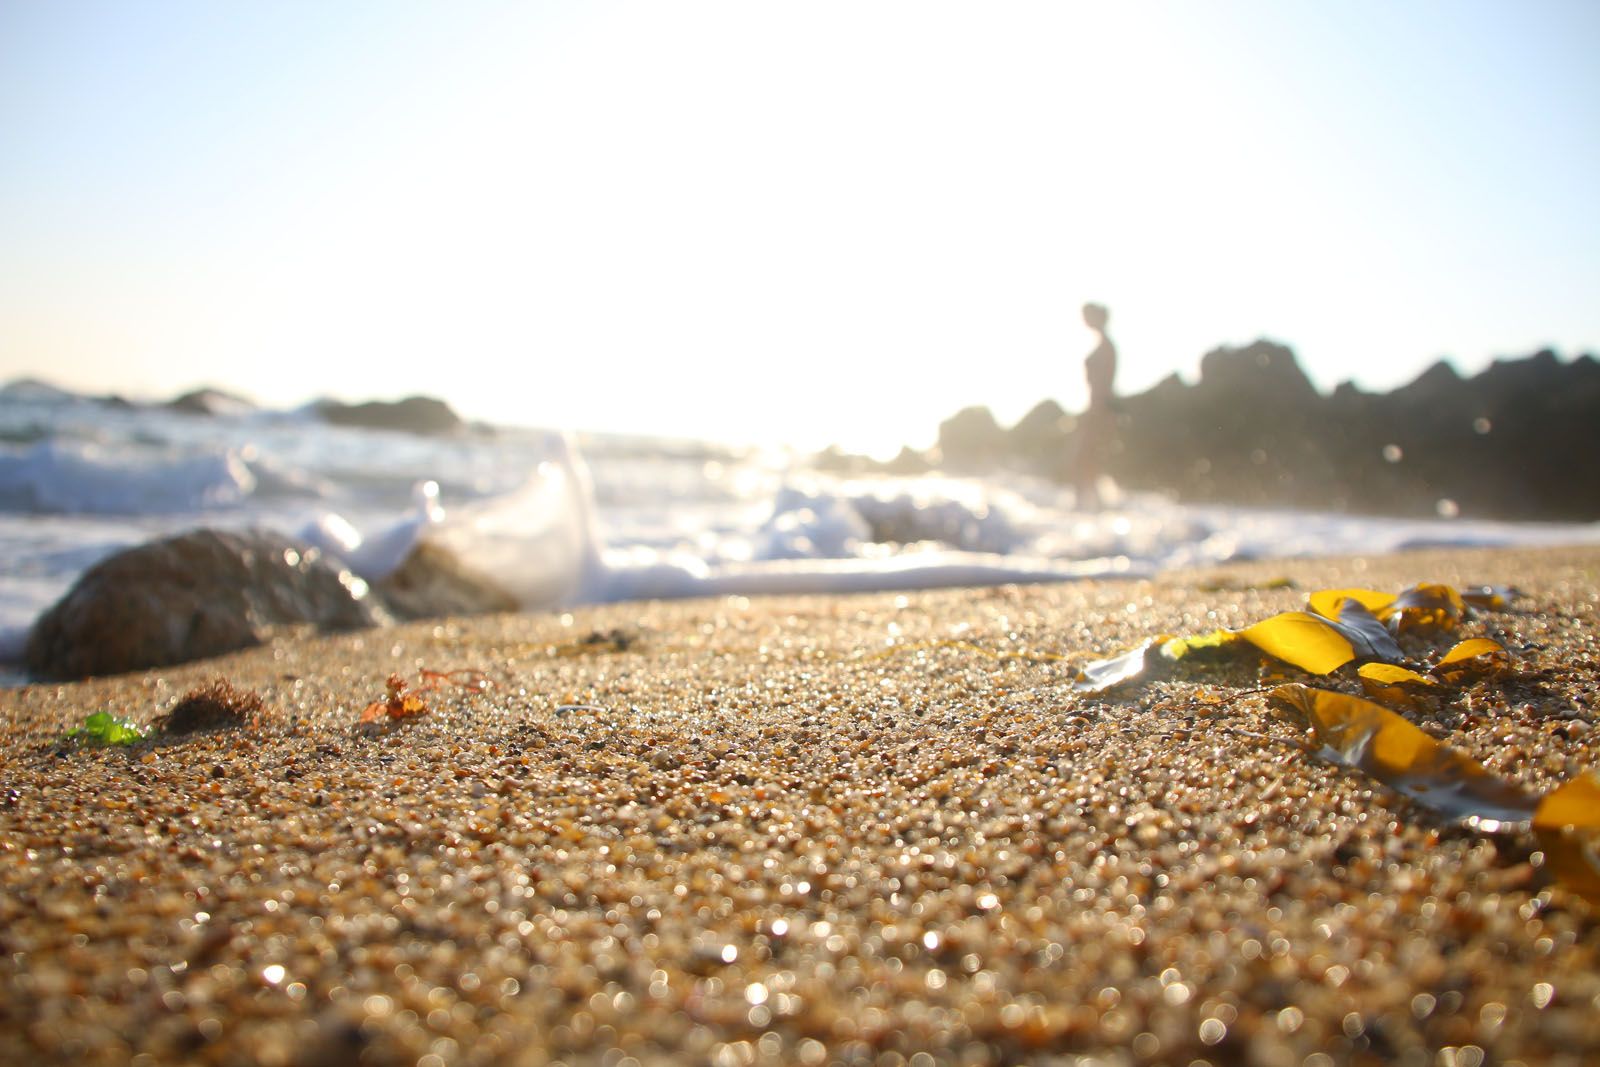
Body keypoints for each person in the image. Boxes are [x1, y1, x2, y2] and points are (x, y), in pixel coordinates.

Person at [1074, 302, 1118, 509]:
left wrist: (1096, 411)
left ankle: (1089, 505)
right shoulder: (1104, 345)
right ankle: (1093, 504)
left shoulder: (1107, 347)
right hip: (1097, 407)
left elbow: (1104, 384)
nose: (1085, 320)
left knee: (1085, 457)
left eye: (1088, 315)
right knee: (1089, 458)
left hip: (1101, 408)